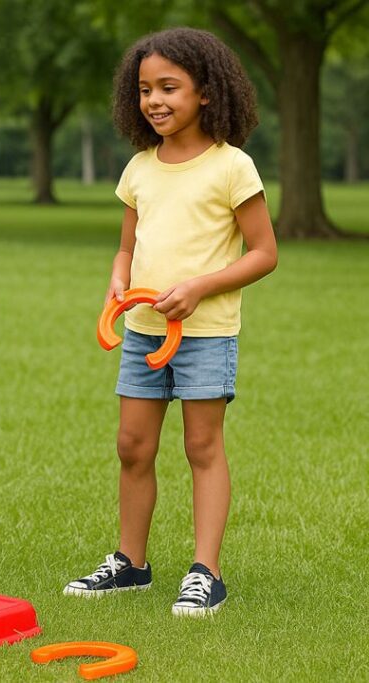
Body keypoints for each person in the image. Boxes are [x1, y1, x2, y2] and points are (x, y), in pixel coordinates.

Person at [63, 28, 277, 616]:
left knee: (202, 446)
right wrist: (117, 276)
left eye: (169, 88)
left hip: (205, 334)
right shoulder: (139, 169)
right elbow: (127, 248)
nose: (153, 100)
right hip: (143, 332)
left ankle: (206, 572)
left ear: (207, 92)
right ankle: (131, 564)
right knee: (132, 446)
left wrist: (200, 288)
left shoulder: (232, 166)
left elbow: (264, 252)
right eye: (144, 90)